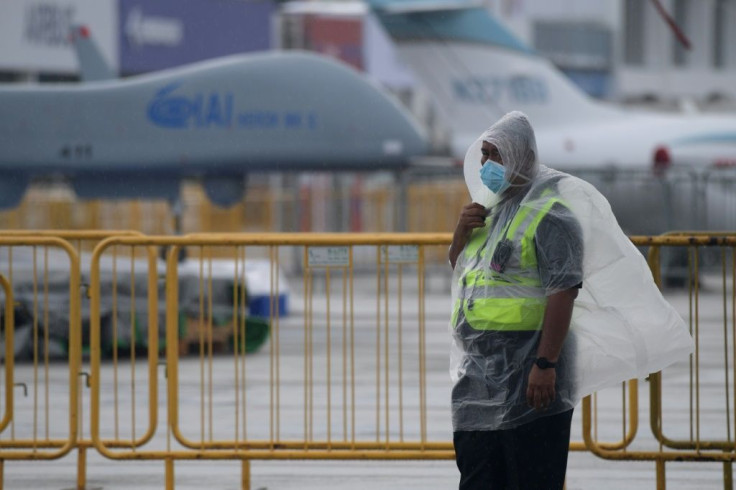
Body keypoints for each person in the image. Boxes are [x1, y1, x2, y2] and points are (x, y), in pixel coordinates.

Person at [448, 111, 583, 489]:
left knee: (530, 476)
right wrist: (459, 234)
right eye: (484, 155)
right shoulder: (486, 213)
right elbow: (463, 272)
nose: (487, 165)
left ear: (522, 157)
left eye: (497, 155)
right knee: (478, 476)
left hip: (529, 369)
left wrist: (545, 363)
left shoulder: (552, 216)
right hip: (479, 373)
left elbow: (564, 290)